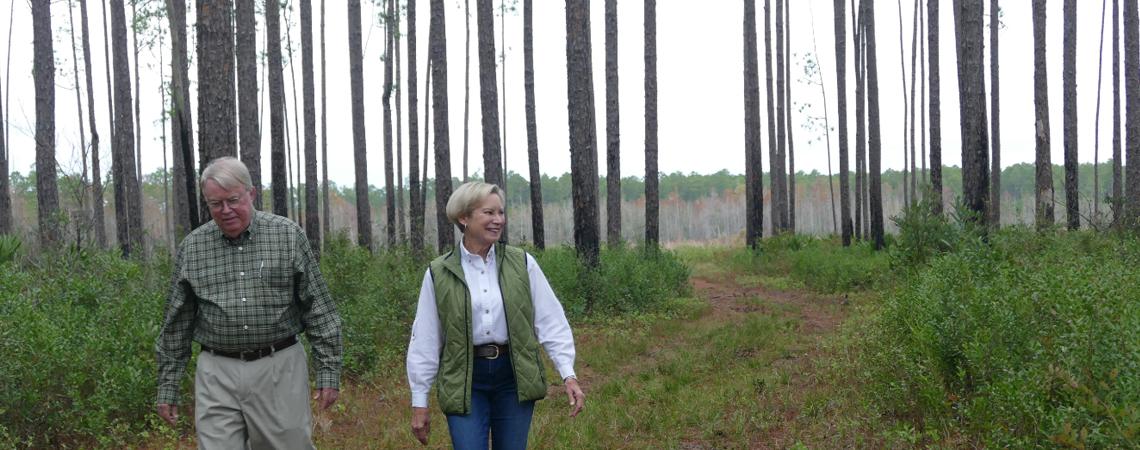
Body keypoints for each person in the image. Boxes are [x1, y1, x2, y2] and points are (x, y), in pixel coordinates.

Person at [155, 157, 343, 449]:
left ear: (251, 194)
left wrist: (328, 370)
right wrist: (168, 387)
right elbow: (176, 324)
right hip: (216, 371)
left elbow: (318, 307)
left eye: (233, 200)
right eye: (216, 204)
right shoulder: (193, 247)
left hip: (279, 367)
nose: (226, 210)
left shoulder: (287, 235)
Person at [407, 181, 585, 449]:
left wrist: (568, 374)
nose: (498, 220)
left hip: (513, 378)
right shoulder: (438, 273)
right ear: (464, 217)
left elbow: (551, 321)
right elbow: (426, 339)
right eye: (488, 213)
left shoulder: (523, 263)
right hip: (465, 380)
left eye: (500, 213)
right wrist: (419, 401)